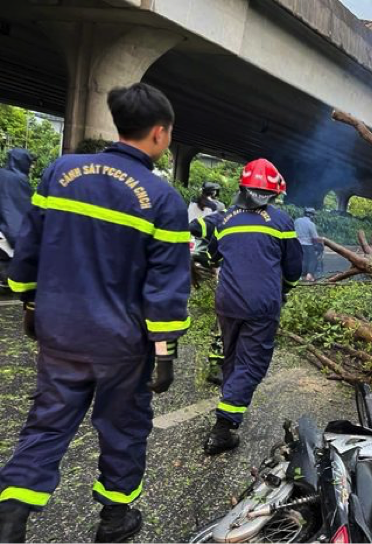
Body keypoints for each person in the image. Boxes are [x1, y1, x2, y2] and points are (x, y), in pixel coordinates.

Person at [0, 82, 191, 543]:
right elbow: (163, 289)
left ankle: (9, 517)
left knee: (47, 421)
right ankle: (115, 520)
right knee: (123, 428)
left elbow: (30, 247)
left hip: (59, 329)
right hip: (120, 344)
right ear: (160, 134)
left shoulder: (60, 173)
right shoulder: (162, 199)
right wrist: (163, 354)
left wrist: (29, 302)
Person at [202, 158, 302, 455]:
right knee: (252, 363)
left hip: (227, 303)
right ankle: (223, 426)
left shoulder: (224, 219)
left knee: (232, 359)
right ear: (272, 194)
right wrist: (283, 290)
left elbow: (210, 258)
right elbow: (294, 269)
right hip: (261, 305)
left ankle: (228, 403)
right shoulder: (282, 222)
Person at [0, 149, 34, 286]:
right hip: (9, 233)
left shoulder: (2, 175)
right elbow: (26, 208)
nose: (31, 167)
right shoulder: (20, 181)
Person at [294, 207, 320, 281]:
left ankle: (298, 276)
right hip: (307, 245)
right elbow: (315, 237)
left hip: (296, 244)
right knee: (313, 259)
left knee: (299, 260)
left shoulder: (297, 221)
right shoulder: (311, 224)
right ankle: (309, 275)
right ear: (311, 215)